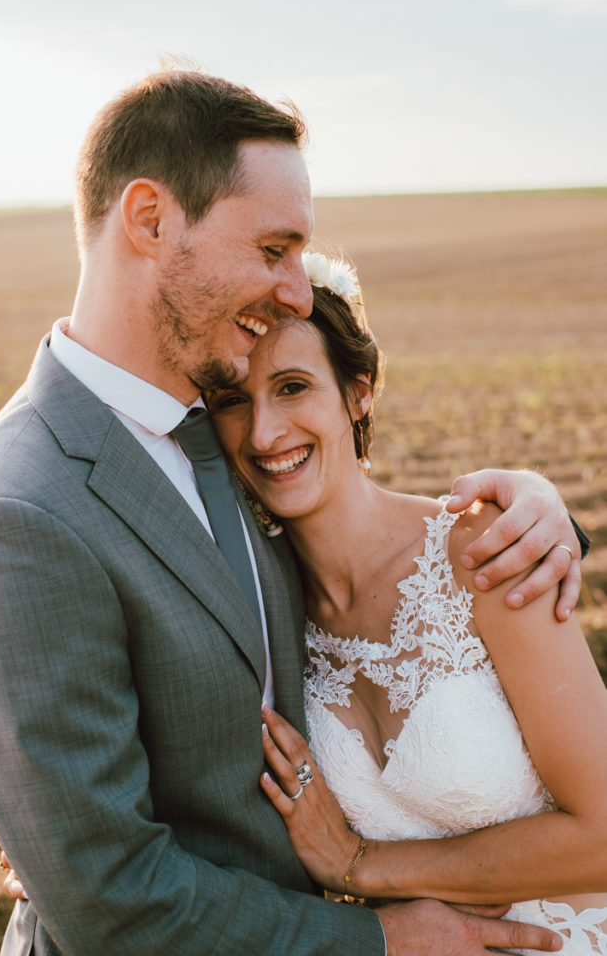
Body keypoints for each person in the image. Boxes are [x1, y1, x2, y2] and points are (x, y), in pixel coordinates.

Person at [0, 68, 586, 956]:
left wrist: (538, 507)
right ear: (150, 219)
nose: (295, 289)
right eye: (273, 248)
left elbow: (371, 536)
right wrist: (380, 940)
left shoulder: (218, 432)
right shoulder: (16, 515)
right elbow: (108, 896)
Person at [204, 251, 607, 955]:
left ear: (357, 393)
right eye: (234, 398)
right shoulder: (257, 612)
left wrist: (363, 865)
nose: (263, 433)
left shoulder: (482, 548)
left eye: (293, 387)